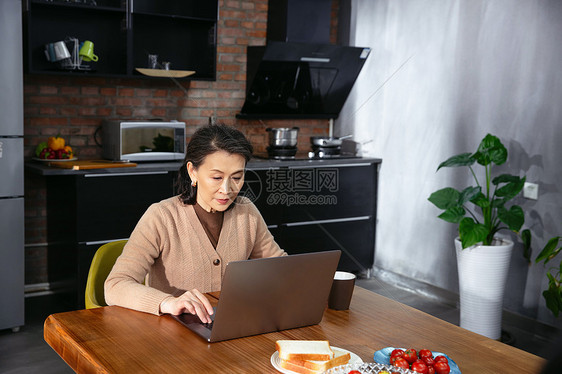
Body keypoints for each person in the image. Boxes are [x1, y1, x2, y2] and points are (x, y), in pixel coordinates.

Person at [105, 124, 286, 322]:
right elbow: (115, 285)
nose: (227, 189)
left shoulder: (247, 212)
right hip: (172, 334)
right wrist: (168, 302)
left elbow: (281, 268)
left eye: (237, 177)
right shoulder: (162, 216)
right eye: (216, 177)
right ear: (192, 171)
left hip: (231, 327)